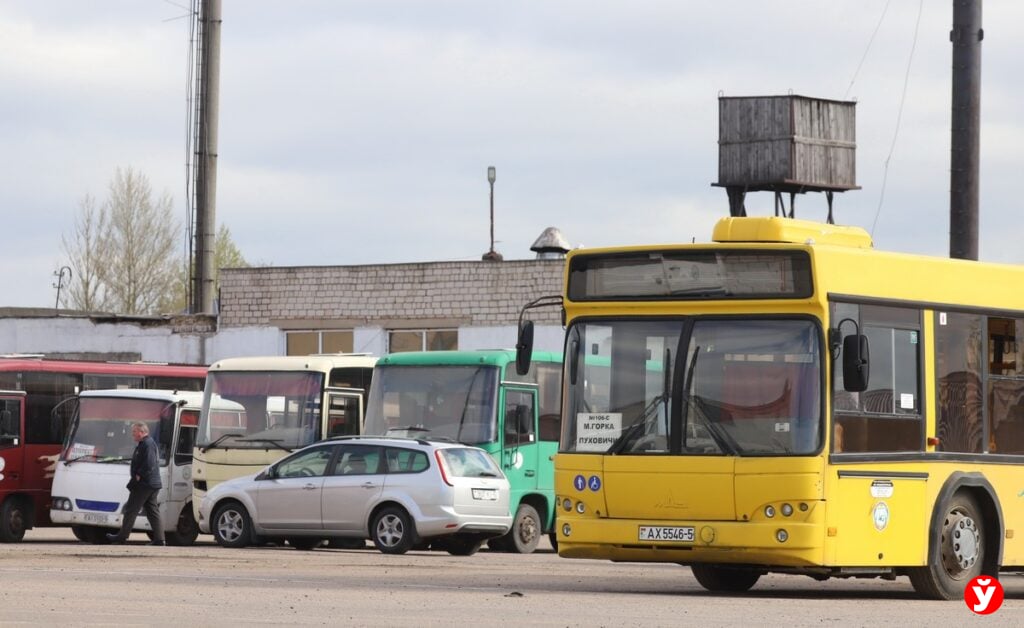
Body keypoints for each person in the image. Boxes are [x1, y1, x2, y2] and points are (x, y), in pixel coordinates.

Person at [106, 422, 164, 546]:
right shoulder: (146, 443)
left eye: (134, 432)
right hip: (151, 484)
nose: (132, 434)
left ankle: (122, 537)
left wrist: (138, 475)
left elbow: (149, 464)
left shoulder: (147, 444)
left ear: (142, 432)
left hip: (144, 484)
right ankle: (159, 539)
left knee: (131, 509)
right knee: (152, 511)